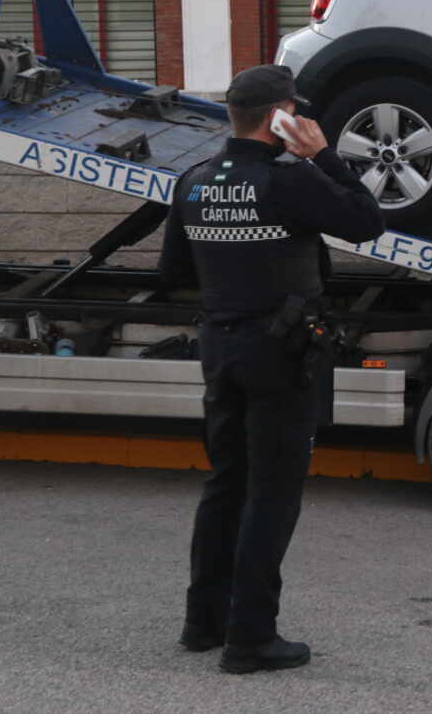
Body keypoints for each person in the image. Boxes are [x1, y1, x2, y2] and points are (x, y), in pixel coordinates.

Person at [158, 64, 384, 674]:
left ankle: (202, 622)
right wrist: (324, 156)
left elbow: (172, 274)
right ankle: (251, 638)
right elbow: (367, 221)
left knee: (225, 484)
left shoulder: (194, 182)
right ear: (280, 117)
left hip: (221, 348)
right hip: (280, 354)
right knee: (272, 493)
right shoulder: (289, 181)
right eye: (297, 112)